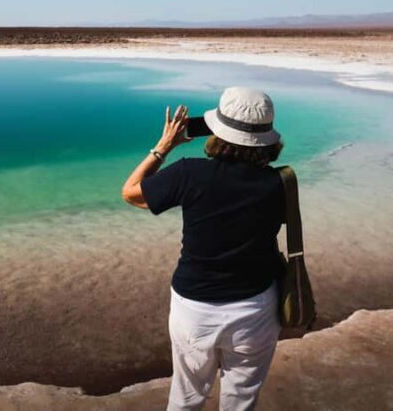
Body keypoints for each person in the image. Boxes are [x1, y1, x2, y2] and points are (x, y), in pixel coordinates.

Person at [122, 87, 285, 411]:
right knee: (241, 401)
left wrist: (163, 147)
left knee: (186, 398)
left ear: (217, 130)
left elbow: (131, 193)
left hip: (195, 310)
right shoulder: (279, 182)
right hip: (255, 310)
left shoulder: (189, 173)